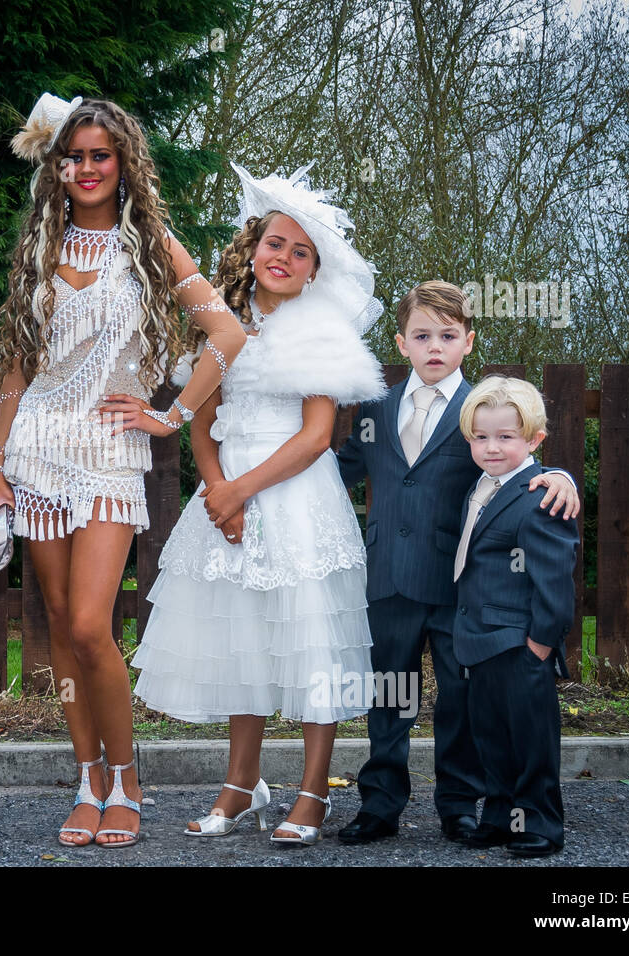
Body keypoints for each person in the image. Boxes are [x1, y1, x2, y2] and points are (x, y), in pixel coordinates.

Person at [0, 94, 247, 848]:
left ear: (122, 162)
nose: (87, 168)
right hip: (36, 453)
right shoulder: (41, 246)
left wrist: (171, 414)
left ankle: (127, 778)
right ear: (57, 167)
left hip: (107, 458)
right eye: (74, 156)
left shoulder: (152, 243)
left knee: (93, 624)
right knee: (61, 624)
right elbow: (15, 375)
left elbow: (226, 331)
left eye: (100, 154)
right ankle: (87, 779)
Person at [132, 162, 387, 846]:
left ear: (313, 271)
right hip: (227, 498)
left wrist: (243, 490)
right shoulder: (223, 324)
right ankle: (240, 788)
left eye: (301, 252)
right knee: (242, 639)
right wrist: (218, 487)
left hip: (295, 496)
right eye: (276, 243)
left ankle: (311, 794)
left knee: (309, 644)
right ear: (254, 246)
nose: (285, 257)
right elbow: (200, 416)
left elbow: (315, 437)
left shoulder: (320, 331)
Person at [332, 281, 581, 846]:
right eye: (422, 336)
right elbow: (340, 471)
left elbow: (514, 461)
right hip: (389, 579)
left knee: (462, 702)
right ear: (402, 342)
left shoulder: (479, 411)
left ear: (468, 341)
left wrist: (560, 475)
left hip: (457, 585)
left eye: (448, 335)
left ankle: (460, 805)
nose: (435, 346)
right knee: (390, 695)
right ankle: (381, 803)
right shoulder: (375, 408)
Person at [452, 376, 578, 858]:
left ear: (534, 440)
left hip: (521, 642)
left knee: (530, 739)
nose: (491, 447)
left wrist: (540, 644)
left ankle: (542, 823)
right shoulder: (481, 487)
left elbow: (553, 579)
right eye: (481, 437)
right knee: (492, 737)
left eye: (506, 437)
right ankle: (503, 817)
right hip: (479, 640)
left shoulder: (542, 496)